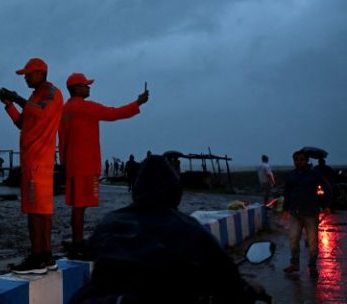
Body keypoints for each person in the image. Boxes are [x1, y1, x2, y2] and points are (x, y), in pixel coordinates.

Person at [70, 155, 267, 304]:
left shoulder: (110, 221)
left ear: (137, 188)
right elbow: (228, 280)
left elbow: (90, 251)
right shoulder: (190, 229)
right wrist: (249, 290)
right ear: (175, 189)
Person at [58, 73, 148, 255]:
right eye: (85, 85)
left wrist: (64, 163)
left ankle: (77, 240)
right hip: (86, 165)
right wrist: (137, 103)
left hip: (73, 165)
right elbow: (114, 113)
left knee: (77, 205)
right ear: (77, 88)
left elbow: (62, 140)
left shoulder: (65, 110)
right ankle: (77, 243)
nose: (89, 88)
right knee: (80, 206)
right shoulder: (87, 108)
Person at [0, 57, 64, 274]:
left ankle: (37, 258)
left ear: (40, 73)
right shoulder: (36, 96)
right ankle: (46, 256)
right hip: (35, 160)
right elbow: (21, 123)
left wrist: (16, 98)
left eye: (28, 74)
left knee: (35, 211)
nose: (25, 77)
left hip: (38, 161)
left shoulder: (51, 93)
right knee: (41, 211)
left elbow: (42, 112)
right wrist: (9, 105)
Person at [283, 150, 332, 277]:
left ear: (306, 160)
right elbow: (287, 193)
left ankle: (312, 266)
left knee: (312, 242)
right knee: (293, 239)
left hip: (311, 213)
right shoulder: (291, 175)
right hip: (295, 213)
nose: (299, 162)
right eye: (296, 160)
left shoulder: (314, 174)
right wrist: (285, 210)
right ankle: (294, 264)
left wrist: (326, 205)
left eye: (301, 159)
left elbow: (327, 188)